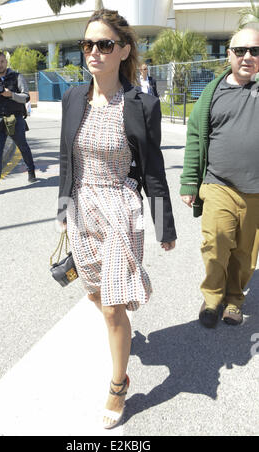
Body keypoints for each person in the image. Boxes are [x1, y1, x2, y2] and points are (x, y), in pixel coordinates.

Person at [57, 8, 176, 429]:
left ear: (123, 50)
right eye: (87, 44)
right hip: (81, 208)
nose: (94, 52)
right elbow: (67, 159)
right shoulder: (73, 97)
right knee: (94, 294)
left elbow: (153, 169)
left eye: (104, 44)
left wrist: (164, 224)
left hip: (120, 209)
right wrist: (62, 211)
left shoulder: (142, 105)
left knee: (111, 308)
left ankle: (118, 384)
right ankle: (119, 334)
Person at [180, 27, 259, 328]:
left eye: (255, 51)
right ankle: (212, 298)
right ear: (229, 55)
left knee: (245, 253)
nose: (247, 57)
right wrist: (189, 182)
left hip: (255, 191)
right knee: (215, 243)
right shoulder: (212, 94)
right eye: (240, 51)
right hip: (218, 184)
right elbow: (195, 140)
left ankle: (235, 299)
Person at [0, 50, 36, 195]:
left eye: (2, 62)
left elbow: (26, 97)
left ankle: (31, 170)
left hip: (16, 119)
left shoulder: (17, 76)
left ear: (6, 62)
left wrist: (10, 94)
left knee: (23, 146)